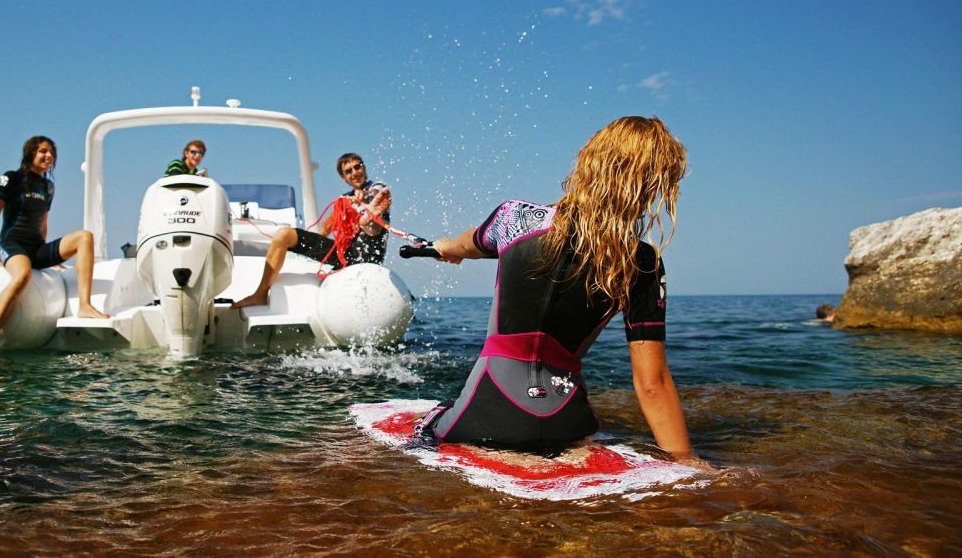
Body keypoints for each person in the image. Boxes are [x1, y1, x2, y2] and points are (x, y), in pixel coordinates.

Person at [416, 116, 707, 467]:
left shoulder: (515, 218)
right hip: (568, 425)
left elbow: (466, 244)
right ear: (650, 186)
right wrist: (687, 462)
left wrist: (445, 247)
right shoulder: (642, 262)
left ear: (589, 162)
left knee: (425, 429)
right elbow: (652, 384)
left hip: (484, 417)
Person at [0, 136, 108, 354]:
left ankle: (85, 306)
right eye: (43, 151)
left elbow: (43, 224)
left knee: (85, 237)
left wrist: (50, 258)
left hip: (37, 248)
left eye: (52, 153)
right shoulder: (11, 178)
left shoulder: (48, 187)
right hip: (13, 244)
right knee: (23, 275)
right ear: (31, 153)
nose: (49, 156)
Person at [232, 153, 391, 309]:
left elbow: (376, 192)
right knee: (283, 235)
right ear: (343, 177)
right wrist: (309, 249)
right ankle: (260, 294)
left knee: (372, 220)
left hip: (369, 252)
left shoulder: (378, 187)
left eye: (357, 167)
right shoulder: (344, 200)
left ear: (364, 167)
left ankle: (369, 218)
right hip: (344, 255)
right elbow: (326, 229)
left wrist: (365, 197)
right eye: (349, 171)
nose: (355, 173)